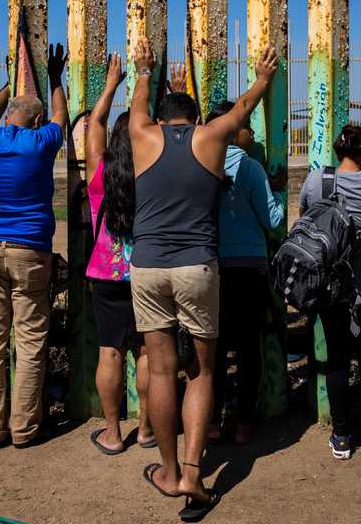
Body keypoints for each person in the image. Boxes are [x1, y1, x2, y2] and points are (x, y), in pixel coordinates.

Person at [131, 38, 277, 520]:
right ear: (194, 120)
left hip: (148, 266)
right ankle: (195, 476)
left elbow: (138, 102)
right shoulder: (210, 139)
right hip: (198, 265)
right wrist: (263, 74)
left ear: (160, 117)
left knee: (160, 368)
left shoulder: (141, 135)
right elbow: (242, 108)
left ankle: (169, 472)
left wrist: (145, 69)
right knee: (202, 370)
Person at [0, 44, 69, 450]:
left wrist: (10, 80)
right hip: (29, 249)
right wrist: (55, 78)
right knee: (29, 340)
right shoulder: (40, 142)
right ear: (37, 121)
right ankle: (25, 429)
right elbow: (62, 117)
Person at [299, 125, 361, 460]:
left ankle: (341, 435)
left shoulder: (316, 182)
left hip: (330, 287)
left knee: (337, 359)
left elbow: (307, 221)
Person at [85, 53, 155, 454]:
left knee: (109, 351)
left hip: (104, 274)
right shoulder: (153, 171)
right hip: (146, 271)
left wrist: (112, 84)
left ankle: (113, 433)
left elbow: (94, 123)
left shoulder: (100, 171)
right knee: (147, 351)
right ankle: (147, 429)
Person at [204, 99, 285, 446]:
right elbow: (274, 221)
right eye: (248, 124)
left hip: (212, 268)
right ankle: (243, 422)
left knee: (215, 349)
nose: (252, 131)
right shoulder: (250, 168)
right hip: (249, 269)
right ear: (234, 129)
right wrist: (278, 190)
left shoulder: (202, 162)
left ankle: (210, 421)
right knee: (250, 347)